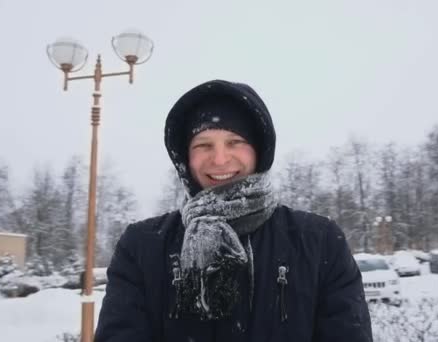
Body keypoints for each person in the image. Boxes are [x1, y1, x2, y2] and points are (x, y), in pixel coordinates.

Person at [94, 80, 372, 342]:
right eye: (203, 145)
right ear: (185, 157)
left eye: (234, 142)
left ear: (259, 149)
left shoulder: (319, 241)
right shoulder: (143, 246)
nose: (219, 158)